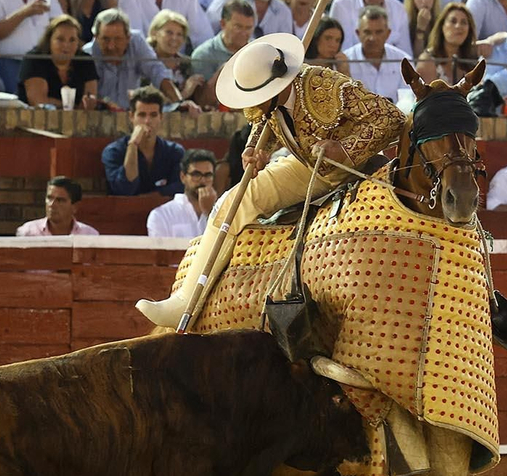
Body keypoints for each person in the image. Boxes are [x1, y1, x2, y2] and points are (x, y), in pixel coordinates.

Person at [133, 30, 408, 327]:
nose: (252, 105)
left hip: (362, 170)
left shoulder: (325, 84)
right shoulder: (267, 101)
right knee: (233, 202)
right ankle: (185, 300)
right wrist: (254, 148)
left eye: (258, 97)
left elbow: (391, 118)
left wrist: (344, 148)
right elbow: (263, 123)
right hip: (308, 167)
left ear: (279, 86)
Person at [104, 84, 187, 196]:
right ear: (131, 117)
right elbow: (125, 189)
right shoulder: (114, 151)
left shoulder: (174, 151)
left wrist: (153, 195)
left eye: (153, 115)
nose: (147, 121)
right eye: (142, 115)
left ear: (161, 117)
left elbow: (180, 187)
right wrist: (133, 145)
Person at [146, 147, 217, 239]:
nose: (202, 180)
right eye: (196, 174)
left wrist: (210, 213)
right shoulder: (162, 215)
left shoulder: (223, 214)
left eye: (208, 175)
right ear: (183, 177)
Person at [15, 176, 100, 236]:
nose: (52, 205)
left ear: (75, 207)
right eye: (49, 198)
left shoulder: (89, 235)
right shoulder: (27, 232)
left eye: (60, 200)